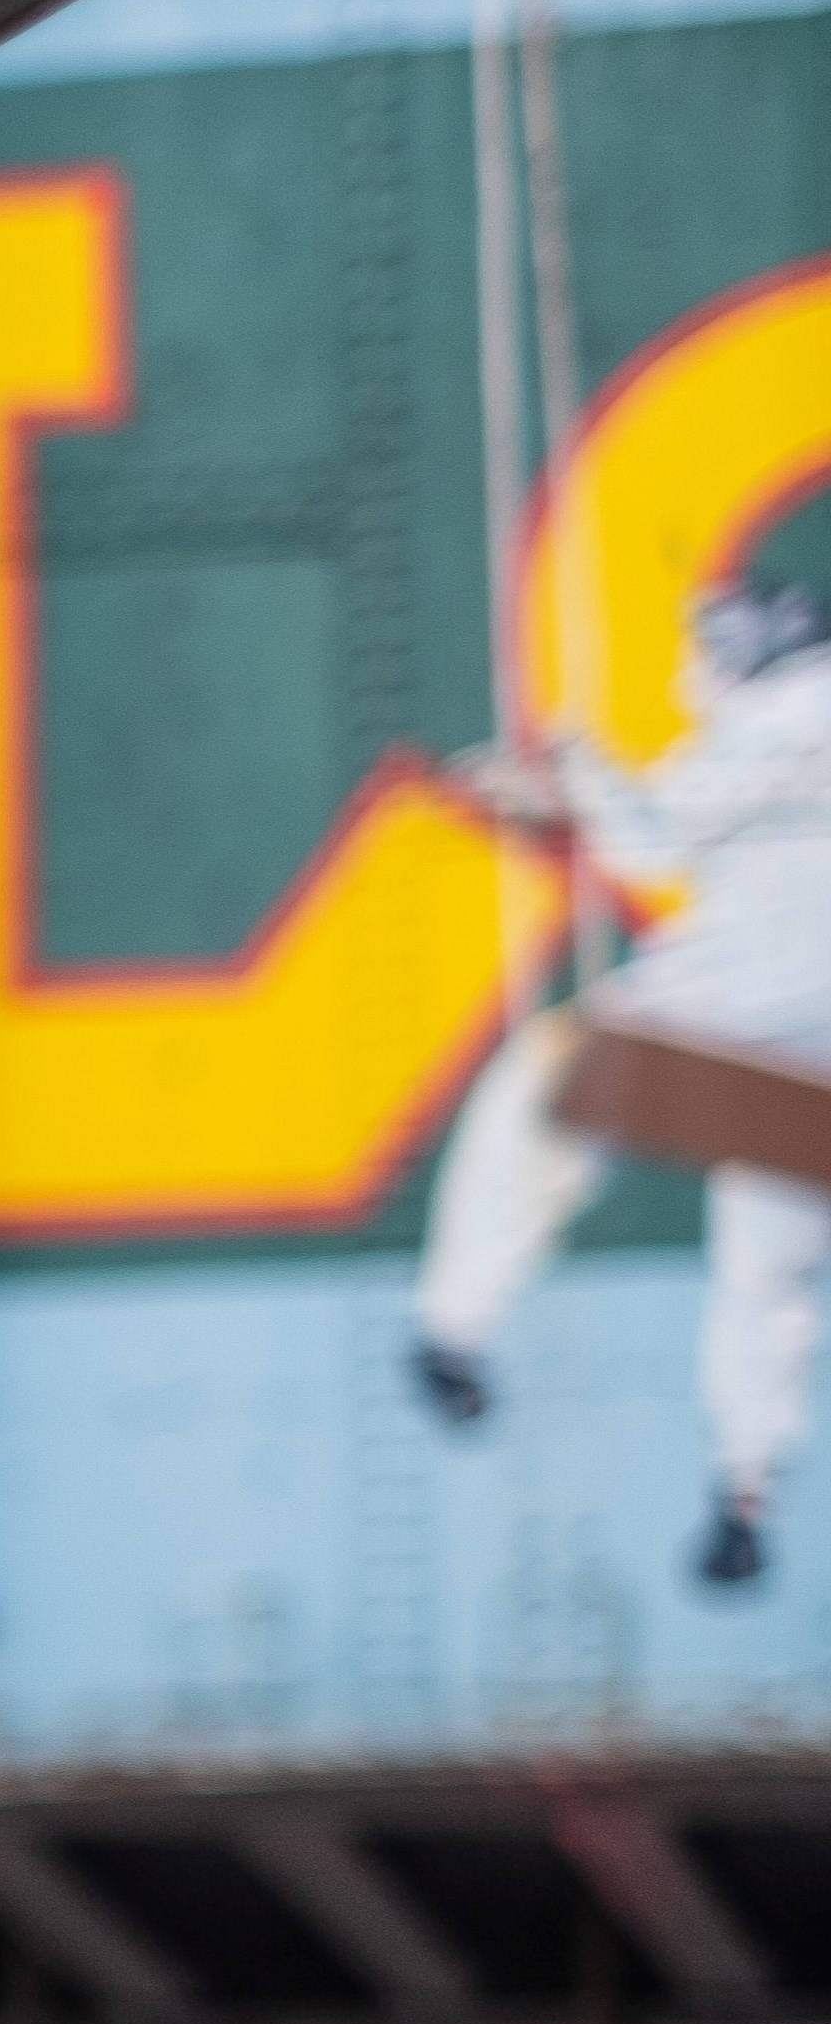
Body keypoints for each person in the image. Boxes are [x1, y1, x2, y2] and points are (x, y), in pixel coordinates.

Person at [411, 576, 831, 1588]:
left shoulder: (793, 710)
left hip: (721, 1022)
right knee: (768, 1269)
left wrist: (574, 760)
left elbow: (655, 840)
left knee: (539, 1094)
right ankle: (744, 1490)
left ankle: (453, 1330)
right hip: (814, 1059)